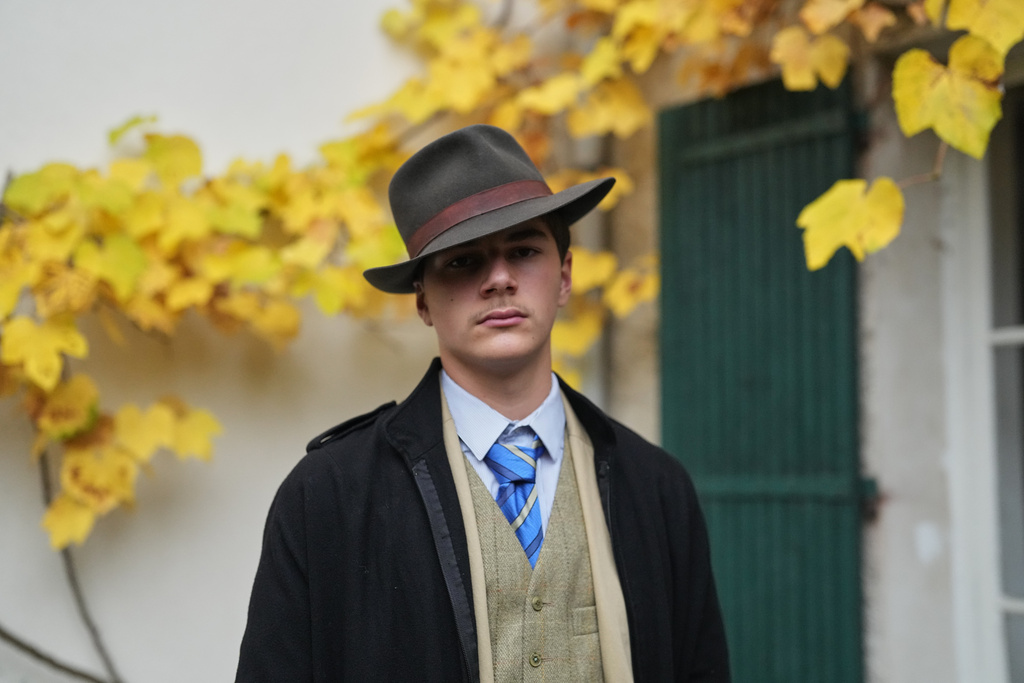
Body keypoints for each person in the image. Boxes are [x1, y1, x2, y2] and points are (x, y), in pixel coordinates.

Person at [236, 124, 730, 682]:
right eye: (462, 261)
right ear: (423, 301)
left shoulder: (658, 488)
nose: (499, 279)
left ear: (564, 276)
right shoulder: (327, 496)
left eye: (523, 251)